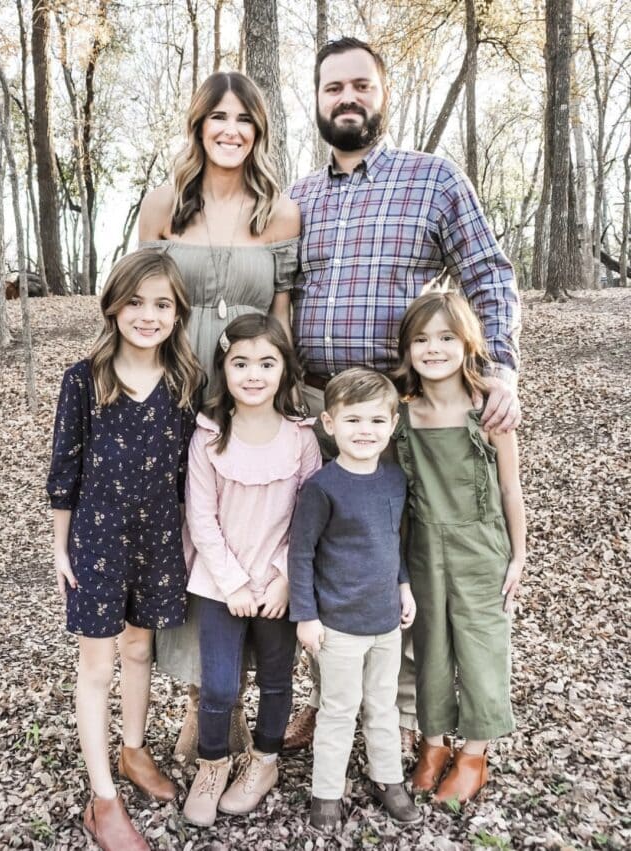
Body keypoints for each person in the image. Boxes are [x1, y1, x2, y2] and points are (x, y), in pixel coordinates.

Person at [284, 35, 523, 751]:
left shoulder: (432, 179)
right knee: (326, 561)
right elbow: (282, 298)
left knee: (403, 561)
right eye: (334, 88)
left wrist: (502, 367)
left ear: (382, 94)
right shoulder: (297, 198)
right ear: (318, 100)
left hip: (403, 415)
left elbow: (489, 273)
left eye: (361, 84)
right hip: (318, 410)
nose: (348, 97)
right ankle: (333, 698)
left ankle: (413, 719)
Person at [138, 71, 301, 761]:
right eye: (218, 117)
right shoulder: (164, 204)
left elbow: (282, 320)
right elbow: (136, 303)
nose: (230, 129)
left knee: (244, 533)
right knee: (184, 536)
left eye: (244, 119)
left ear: (259, 131)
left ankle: (231, 696)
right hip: (176, 386)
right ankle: (198, 696)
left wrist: (275, 396)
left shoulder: (281, 215)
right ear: (198, 125)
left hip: (249, 391)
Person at [46, 249, 202, 851]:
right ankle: (103, 798)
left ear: (177, 313)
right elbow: (65, 470)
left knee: (140, 648)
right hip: (98, 539)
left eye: (162, 304)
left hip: (160, 538)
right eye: (135, 302)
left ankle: (133, 751)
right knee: (98, 664)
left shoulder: (186, 380)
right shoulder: (85, 379)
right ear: (113, 305)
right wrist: (59, 548)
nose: (147, 314)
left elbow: (193, 472)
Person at [181, 314, 321, 827]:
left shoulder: (302, 438)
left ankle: (264, 763)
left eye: (267, 362)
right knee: (219, 686)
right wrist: (233, 582)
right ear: (225, 368)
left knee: (278, 680)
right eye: (241, 363)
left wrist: (285, 577)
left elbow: (308, 517)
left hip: (280, 586)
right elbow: (200, 518)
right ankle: (212, 766)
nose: (254, 374)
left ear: (284, 368)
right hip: (222, 586)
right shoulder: (209, 436)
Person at [393, 290, 526, 803]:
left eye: (446, 337)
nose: (433, 349)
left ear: (466, 342)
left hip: (481, 545)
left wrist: (519, 555)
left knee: (481, 644)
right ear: (406, 349)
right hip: (423, 545)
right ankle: (432, 745)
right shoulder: (403, 413)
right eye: (421, 339)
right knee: (429, 646)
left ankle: (474, 753)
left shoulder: (488, 411)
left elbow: (511, 487)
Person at [288, 368, 421, 830]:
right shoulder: (322, 488)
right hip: (338, 626)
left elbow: (393, 541)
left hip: (384, 622)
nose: (365, 431)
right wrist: (305, 616)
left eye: (376, 421)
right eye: (353, 421)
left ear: (393, 424)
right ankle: (327, 790)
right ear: (329, 423)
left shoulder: (393, 481)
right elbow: (301, 554)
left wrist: (403, 585)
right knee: (339, 709)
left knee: (382, 705)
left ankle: (387, 777)